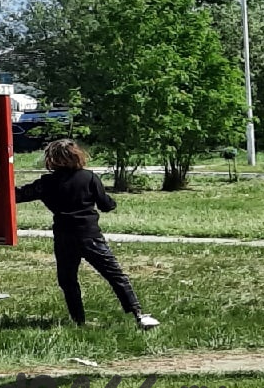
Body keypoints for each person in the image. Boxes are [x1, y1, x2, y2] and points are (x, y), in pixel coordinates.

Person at [17, 139, 161, 330]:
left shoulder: (47, 182)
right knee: (115, 275)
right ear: (78, 155)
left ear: (52, 159)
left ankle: (79, 321)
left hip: (64, 237)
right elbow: (106, 205)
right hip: (89, 235)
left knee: (68, 280)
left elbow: (19, 195)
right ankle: (138, 315)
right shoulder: (89, 178)